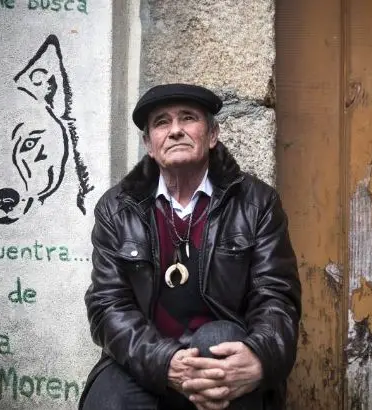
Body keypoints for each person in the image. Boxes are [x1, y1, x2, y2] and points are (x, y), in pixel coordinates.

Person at [80, 83, 301, 410]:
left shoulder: (257, 204)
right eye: (161, 123)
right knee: (111, 400)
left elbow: (277, 295)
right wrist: (164, 362)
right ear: (149, 145)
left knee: (219, 341)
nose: (176, 131)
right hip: (147, 357)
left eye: (188, 119)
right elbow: (107, 305)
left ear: (212, 135)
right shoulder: (116, 209)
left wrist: (261, 355)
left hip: (220, 356)